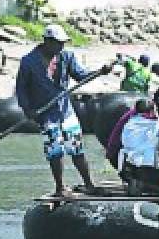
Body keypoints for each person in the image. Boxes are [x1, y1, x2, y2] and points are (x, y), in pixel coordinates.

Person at [15, 23, 113, 196]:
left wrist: (100, 72)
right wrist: (27, 110)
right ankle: (60, 187)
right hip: (45, 114)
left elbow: (81, 75)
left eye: (63, 43)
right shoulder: (29, 61)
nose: (61, 46)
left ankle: (89, 184)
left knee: (76, 148)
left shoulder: (66, 57)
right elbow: (21, 89)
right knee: (55, 151)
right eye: (58, 43)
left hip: (65, 112)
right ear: (47, 42)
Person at [118, 96, 159, 195]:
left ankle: (135, 182)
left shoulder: (129, 123)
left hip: (125, 168)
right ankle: (144, 185)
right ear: (152, 111)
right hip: (148, 169)